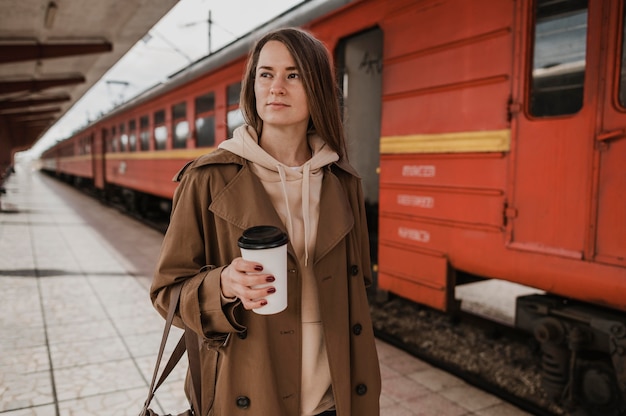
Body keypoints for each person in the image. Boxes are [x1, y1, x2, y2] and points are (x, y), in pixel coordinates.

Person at [150, 27, 381, 416]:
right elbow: (167, 294)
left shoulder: (343, 181)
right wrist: (221, 285)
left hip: (334, 399)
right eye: (265, 74)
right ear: (252, 86)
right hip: (248, 395)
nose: (276, 87)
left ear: (318, 88)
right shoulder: (207, 178)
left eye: (294, 75)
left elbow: (357, 289)